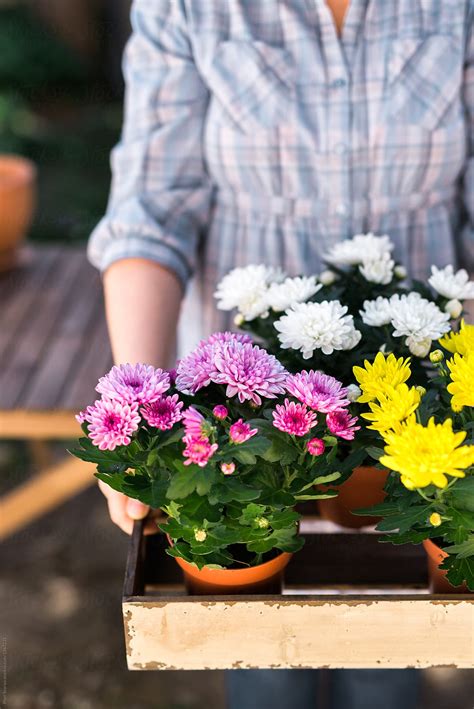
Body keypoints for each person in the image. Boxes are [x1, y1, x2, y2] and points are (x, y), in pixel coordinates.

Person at [88, 1, 473, 706]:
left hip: (415, 405)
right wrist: (135, 408)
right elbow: (152, 212)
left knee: (389, 654)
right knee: (263, 657)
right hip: (243, 412)